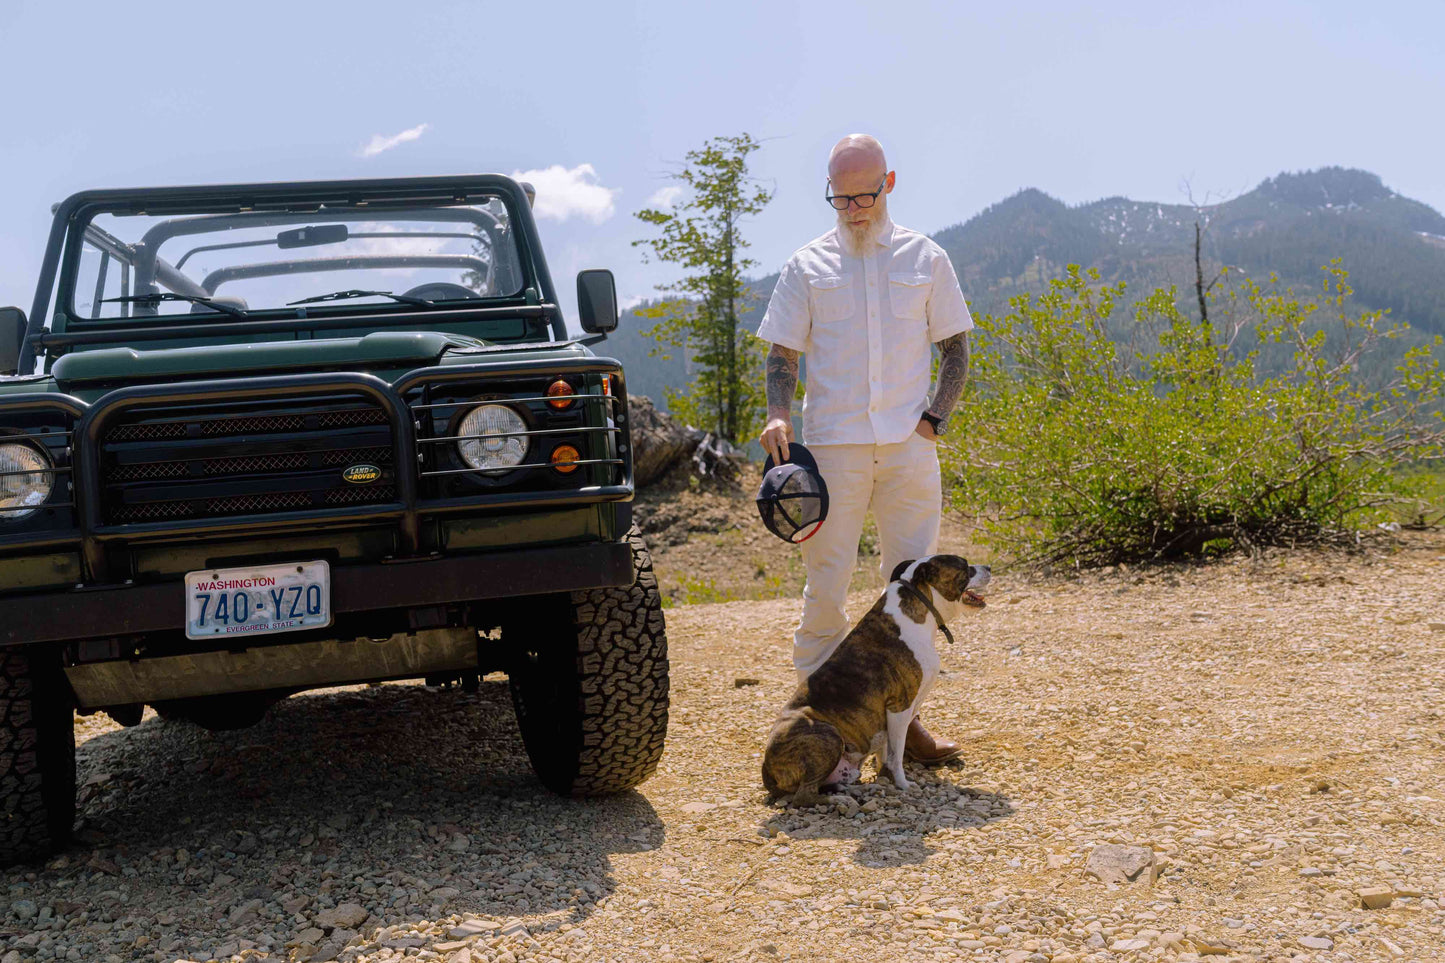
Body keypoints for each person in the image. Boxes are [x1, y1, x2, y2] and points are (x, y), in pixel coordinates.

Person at [757, 133, 973, 765]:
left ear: (889, 184)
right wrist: (776, 414)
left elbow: (956, 347)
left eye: (863, 195)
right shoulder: (807, 265)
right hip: (832, 451)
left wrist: (935, 418)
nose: (851, 208)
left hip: (909, 450)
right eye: (840, 197)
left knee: (915, 590)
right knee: (825, 589)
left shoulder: (926, 258)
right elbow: (782, 355)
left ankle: (903, 726)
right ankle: (818, 728)